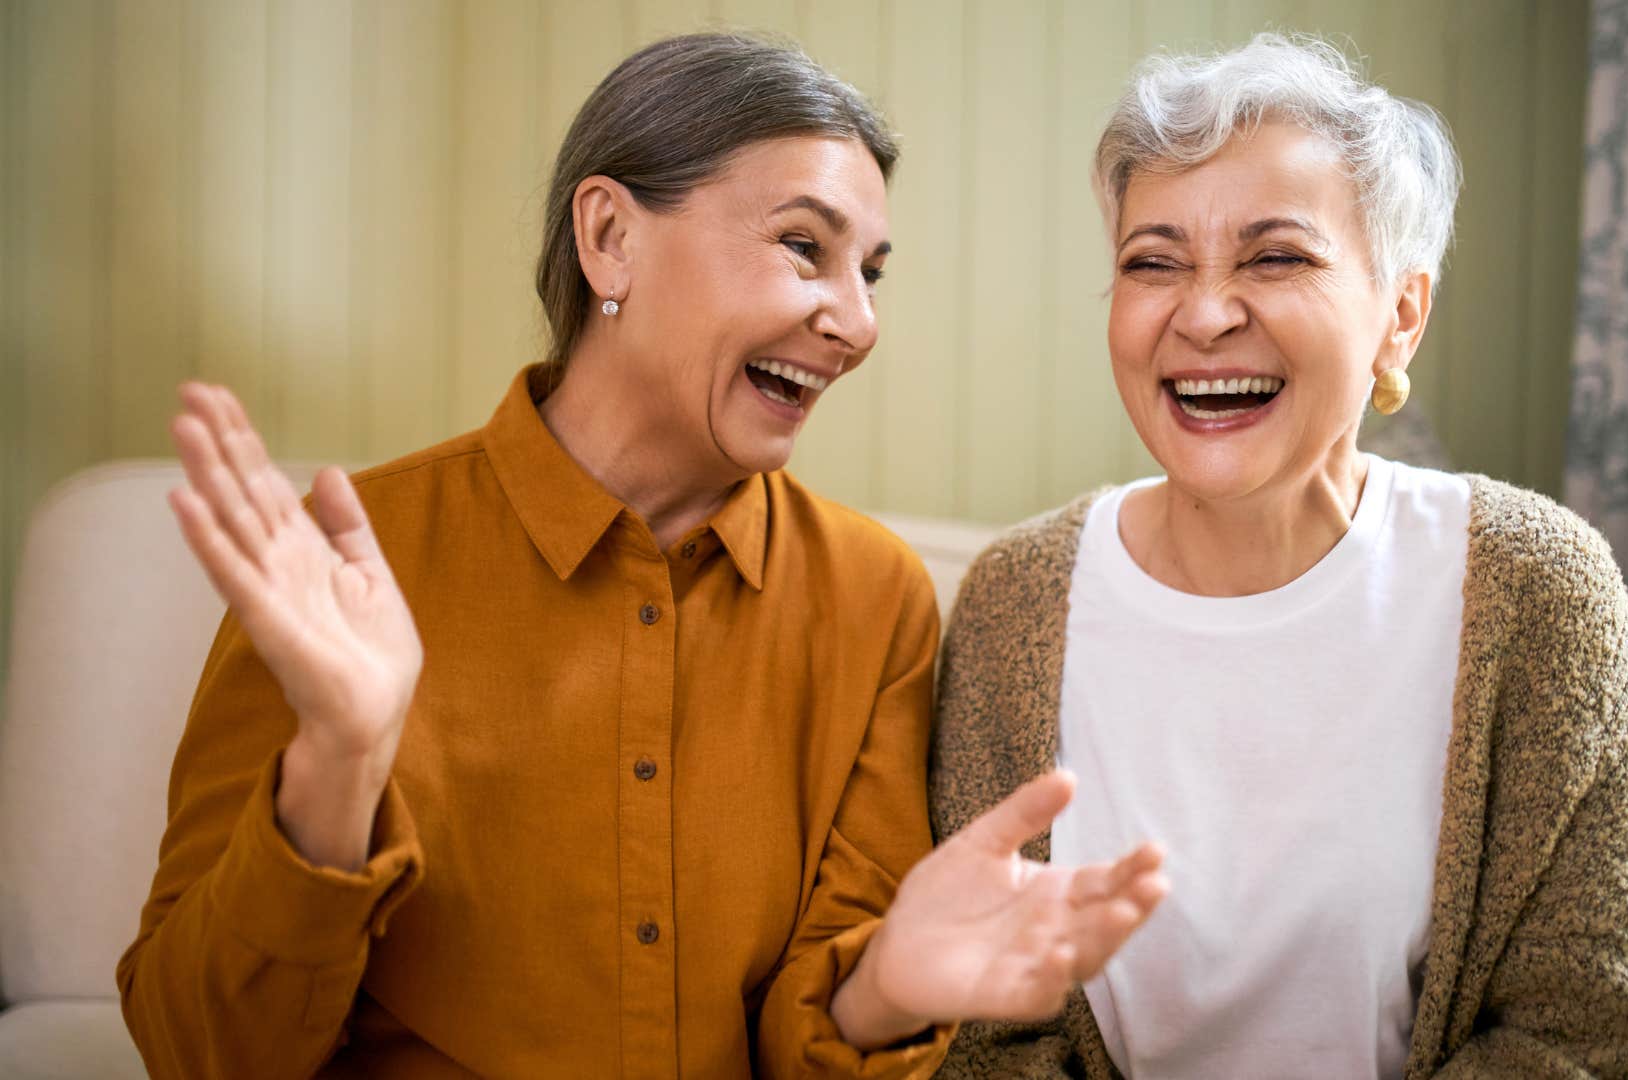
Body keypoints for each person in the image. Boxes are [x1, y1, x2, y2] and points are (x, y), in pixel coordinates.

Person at [118, 33, 1166, 1079]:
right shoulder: (347, 565)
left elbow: (815, 1039)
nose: (856, 321)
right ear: (611, 237)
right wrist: (339, 763)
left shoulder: (873, 599)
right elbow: (197, 1053)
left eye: (872, 272)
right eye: (805, 246)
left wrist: (888, 984)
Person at [930, 33, 1628, 1079]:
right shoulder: (1015, 599)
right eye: (1153, 263)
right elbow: (984, 1043)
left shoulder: (1536, 584)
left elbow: (1597, 1034)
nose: (1202, 314)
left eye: (1274, 256)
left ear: (1400, 317)